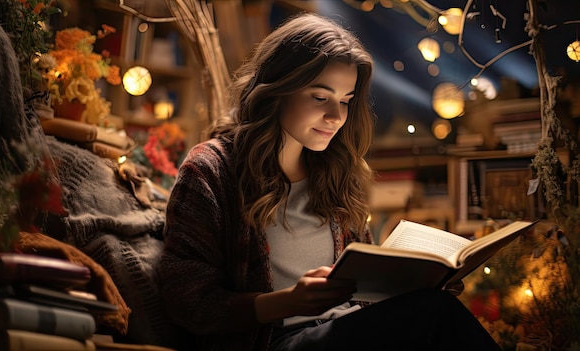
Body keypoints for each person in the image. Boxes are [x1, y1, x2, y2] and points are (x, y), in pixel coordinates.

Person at [158, 12, 501, 351]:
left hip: (347, 331)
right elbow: (186, 300)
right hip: (275, 341)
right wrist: (286, 302)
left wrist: (416, 285)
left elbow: (362, 294)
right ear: (278, 88)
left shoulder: (336, 173)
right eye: (320, 97)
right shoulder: (211, 170)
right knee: (433, 314)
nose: (336, 117)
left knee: (431, 307)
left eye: (345, 101)